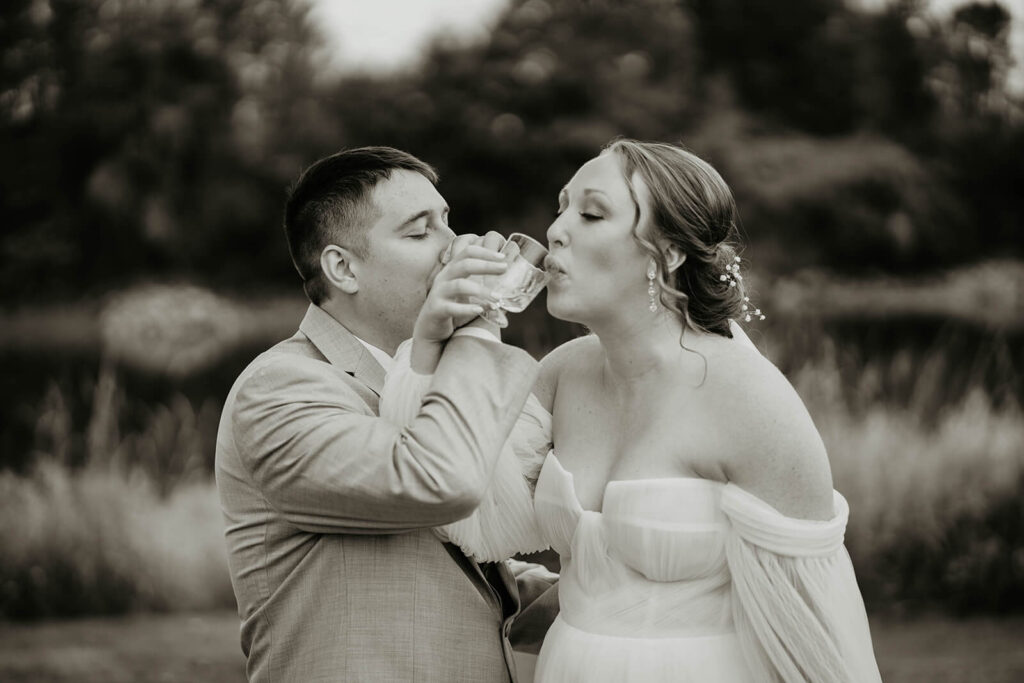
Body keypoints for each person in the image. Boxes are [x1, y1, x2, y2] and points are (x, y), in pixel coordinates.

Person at [384, 138, 882, 681]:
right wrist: (436, 344)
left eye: (592, 213)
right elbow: (471, 515)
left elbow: (815, 624)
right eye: (561, 207)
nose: (556, 230)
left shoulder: (746, 394)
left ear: (667, 252)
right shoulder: (562, 372)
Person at [215, 146, 557, 683]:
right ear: (343, 268)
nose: (455, 249)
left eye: (448, 223)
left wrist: (617, 591)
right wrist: (477, 326)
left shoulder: (418, 376)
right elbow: (439, 482)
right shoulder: (280, 389)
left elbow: (464, 563)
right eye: (421, 233)